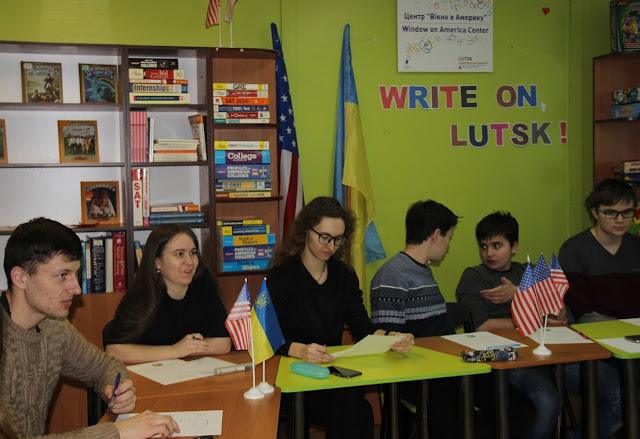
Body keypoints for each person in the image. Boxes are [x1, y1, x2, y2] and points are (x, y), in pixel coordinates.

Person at [0, 217, 179, 438]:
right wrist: (116, 432)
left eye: (76, 274)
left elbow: (105, 366)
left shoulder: (54, 327)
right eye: (62, 275)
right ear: (20, 277)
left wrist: (117, 388)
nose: (76, 288)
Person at [267, 196, 414, 439]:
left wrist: (391, 338)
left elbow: (362, 328)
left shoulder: (344, 275)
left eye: (338, 239)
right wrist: (300, 350)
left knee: (358, 409)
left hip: (330, 371)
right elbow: (269, 335)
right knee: (349, 409)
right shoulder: (281, 275)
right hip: (292, 372)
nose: (331, 246)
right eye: (324, 237)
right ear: (306, 231)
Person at [456, 211, 563, 439]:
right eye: (483, 246)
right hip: (505, 356)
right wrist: (532, 320)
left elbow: (560, 316)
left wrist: (518, 293)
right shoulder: (474, 276)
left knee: (612, 390)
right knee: (548, 403)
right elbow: (482, 327)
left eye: (497, 246)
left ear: (514, 247)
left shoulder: (527, 271)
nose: (489, 253)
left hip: (545, 351)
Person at [370, 199, 461, 439]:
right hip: (418, 376)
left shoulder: (422, 270)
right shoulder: (391, 276)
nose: (448, 246)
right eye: (449, 237)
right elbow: (387, 344)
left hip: (439, 367)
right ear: (436, 235)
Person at [104, 224, 231, 364]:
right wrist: (175, 351)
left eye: (193, 253)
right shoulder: (141, 294)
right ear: (158, 262)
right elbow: (114, 351)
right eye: (179, 254)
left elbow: (223, 343)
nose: (190, 262)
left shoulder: (203, 282)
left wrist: (189, 349)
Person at [559, 178, 640, 323]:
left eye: (627, 212)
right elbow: (580, 310)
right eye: (611, 213)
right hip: (594, 329)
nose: (620, 220)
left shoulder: (636, 247)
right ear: (595, 213)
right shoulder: (573, 250)